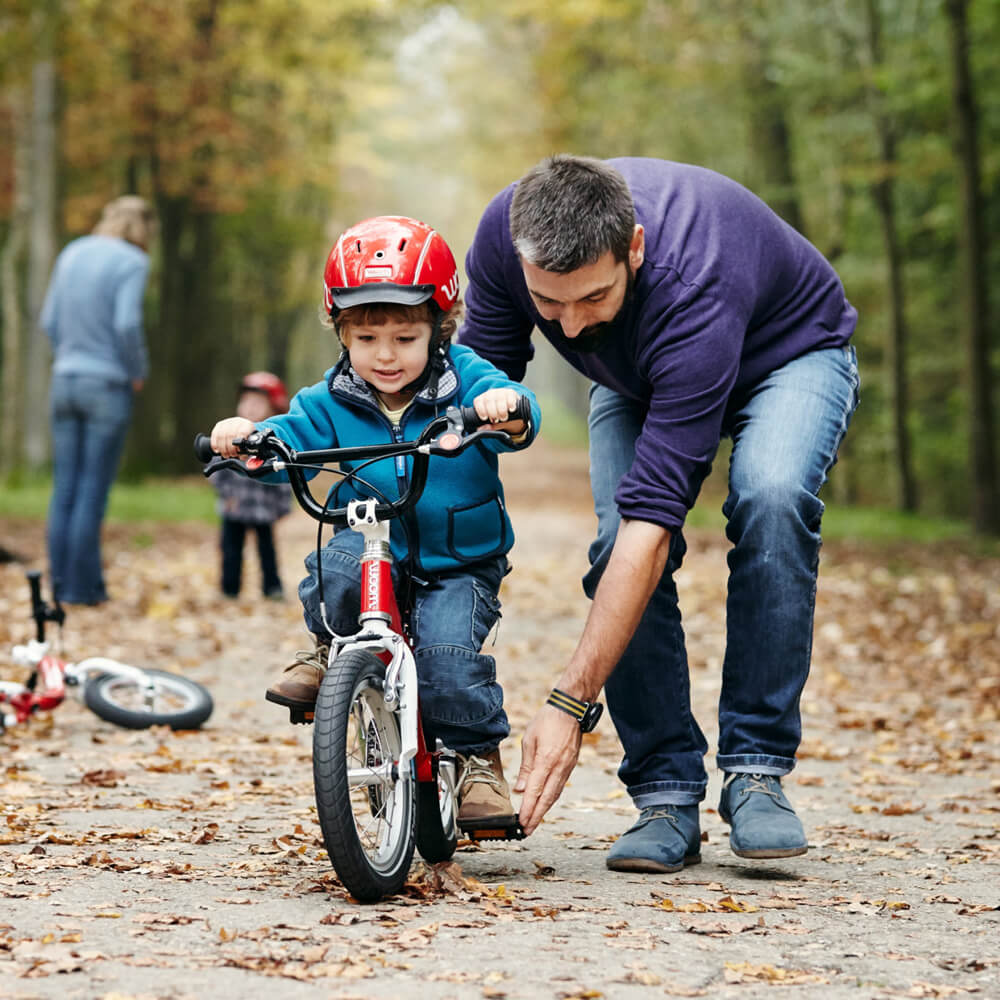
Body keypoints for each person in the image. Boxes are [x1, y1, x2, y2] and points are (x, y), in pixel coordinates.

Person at [458, 155, 860, 870]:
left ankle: (756, 771)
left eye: (593, 298)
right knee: (614, 540)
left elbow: (656, 525)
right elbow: (471, 390)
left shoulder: (693, 282)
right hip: (642, 374)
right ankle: (666, 792)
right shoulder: (501, 235)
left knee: (769, 498)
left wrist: (569, 703)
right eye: (549, 305)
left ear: (634, 249)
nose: (574, 326)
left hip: (789, 353)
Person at [210, 215, 542, 826]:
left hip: (456, 562)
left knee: (447, 659)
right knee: (335, 559)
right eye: (366, 340)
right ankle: (329, 650)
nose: (385, 356)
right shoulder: (329, 398)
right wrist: (249, 440)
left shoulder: (464, 378)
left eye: (404, 338)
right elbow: (286, 441)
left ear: (439, 327)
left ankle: (474, 760)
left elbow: (520, 417)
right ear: (341, 333)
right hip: (370, 547)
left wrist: (507, 409)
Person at [40, 195, 157, 605]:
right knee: (92, 488)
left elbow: (49, 320)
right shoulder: (132, 262)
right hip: (106, 385)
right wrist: (136, 369)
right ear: (144, 228)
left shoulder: (72, 252)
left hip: (64, 380)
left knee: (65, 487)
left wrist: (69, 355)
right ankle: (82, 588)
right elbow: (126, 322)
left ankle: (59, 584)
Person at [210, 372, 292, 600]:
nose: (250, 408)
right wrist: (225, 494)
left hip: (263, 509)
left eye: (258, 403)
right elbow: (216, 470)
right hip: (234, 506)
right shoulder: (229, 437)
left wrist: (282, 507)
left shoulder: (273, 442)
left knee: (267, 550)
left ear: (273, 409)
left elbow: (285, 476)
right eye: (246, 402)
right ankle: (229, 588)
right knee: (230, 549)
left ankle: (272, 587)